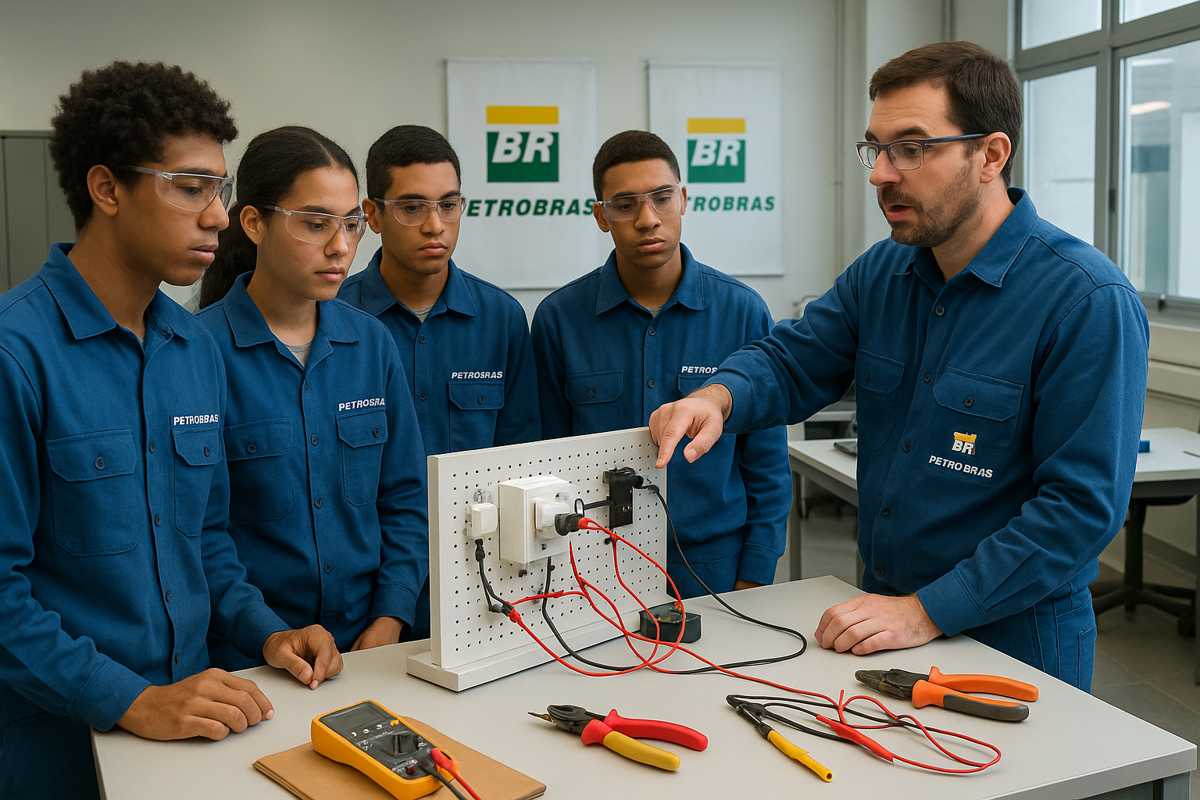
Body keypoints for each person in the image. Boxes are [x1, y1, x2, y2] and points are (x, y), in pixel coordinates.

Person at [649, 42, 1149, 690]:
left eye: (912, 148)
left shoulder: (1085, 302)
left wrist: (927, 612)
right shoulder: (883, 274)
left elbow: (1078, 512)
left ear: (991, 155)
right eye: (876, 148)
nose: (881, 173)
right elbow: (794, 357)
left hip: (1014, 644)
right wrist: (719, 396)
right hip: (882, 621)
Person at [0, 63, 341, 799]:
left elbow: (204, 543)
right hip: (54, 747)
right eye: (190, 187)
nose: (218, 215)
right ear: (107, 188)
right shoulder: (16, 354)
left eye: (218, 190)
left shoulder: (192, 352)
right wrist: (128, 698)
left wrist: (265, 631)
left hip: (190, 732)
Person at [197, 126, 428, 664]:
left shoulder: (371, 343)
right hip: (249, 660)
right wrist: (265, 633)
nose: (341, 246)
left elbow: (406, 499)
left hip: (372, 646)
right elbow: (199, 532)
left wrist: (390, 618)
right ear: (254, 223)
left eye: (350, 225)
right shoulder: (196, 352)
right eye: (316, 224)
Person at [531, 130, 791, 598]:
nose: (647, 219)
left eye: (661, 198)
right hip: (593, 562)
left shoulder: (742, 312)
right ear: (601, 216)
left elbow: (767, 462)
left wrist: (755, 573)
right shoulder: (559, 320)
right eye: (625, 204)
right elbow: (544, 458)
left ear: (684, 200)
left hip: (713, 563)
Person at [339, 125, 539, 636]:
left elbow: (523, 461)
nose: (435, 225)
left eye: (449, 205)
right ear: (373, 215)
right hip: (362, 589)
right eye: (412, 207)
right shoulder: (335, 319)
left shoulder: (501, 318)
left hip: (480, 581)